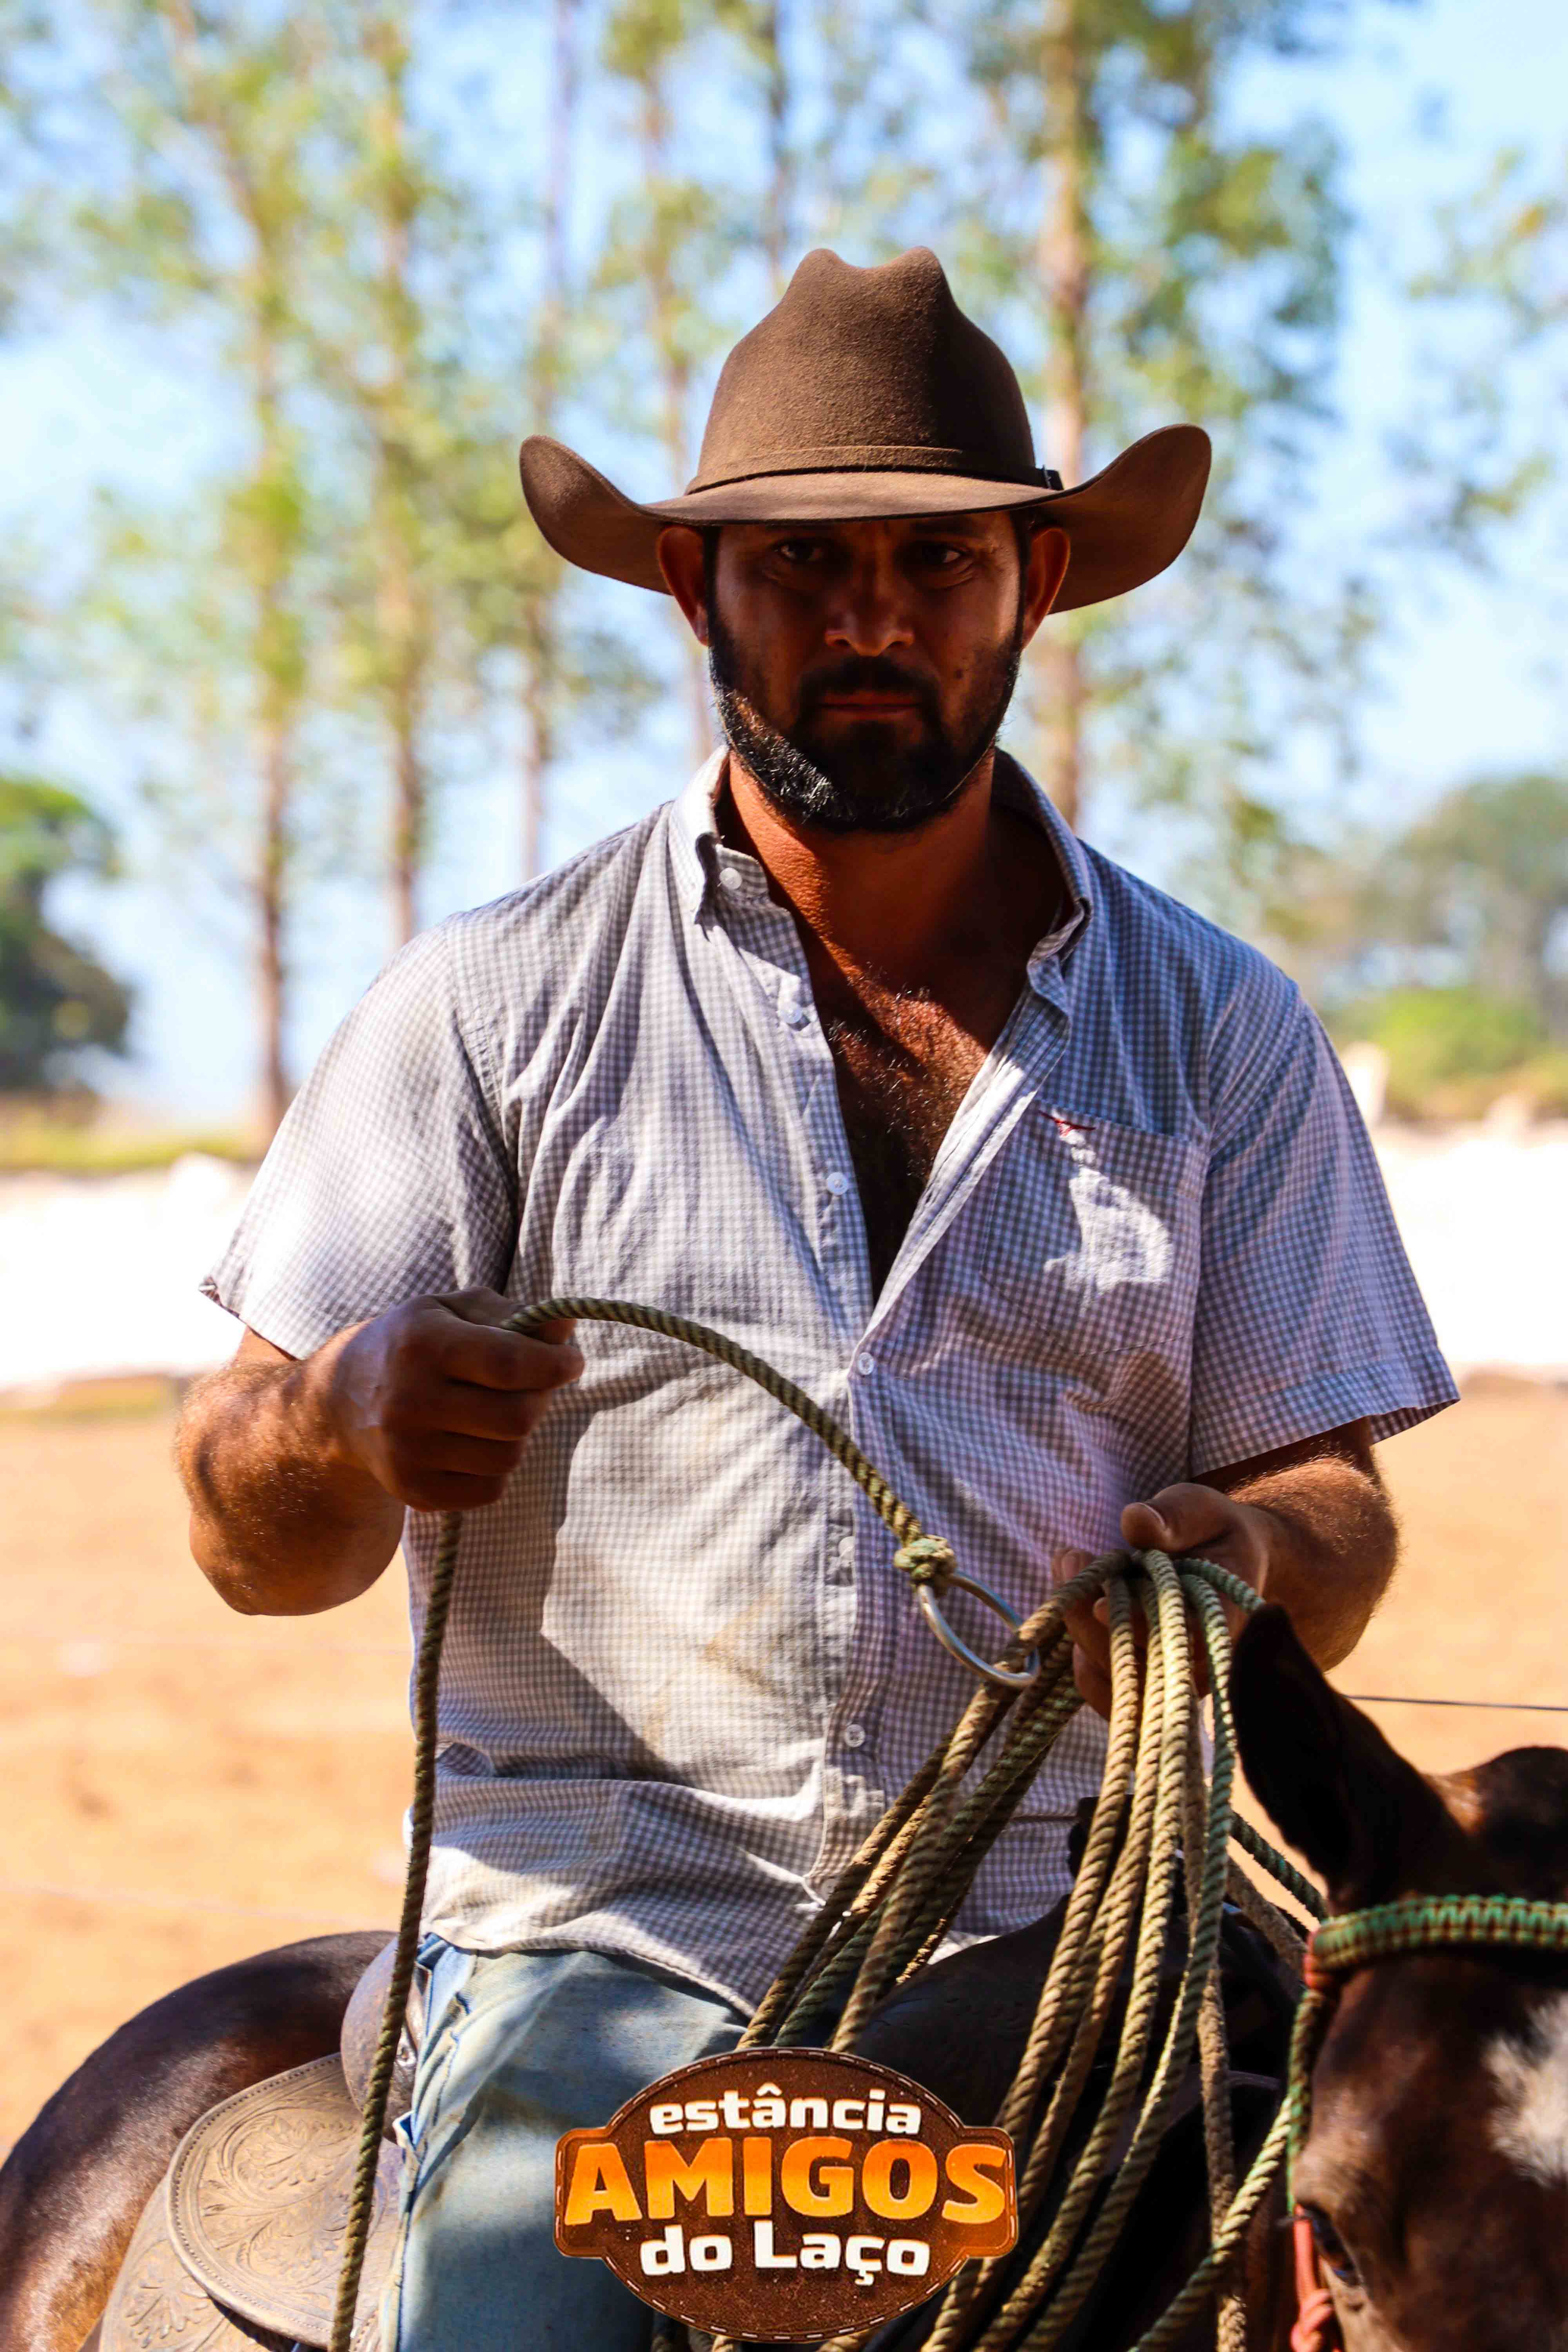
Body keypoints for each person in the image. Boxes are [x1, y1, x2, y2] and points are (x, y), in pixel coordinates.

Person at [178, 246, 1454, 2350]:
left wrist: (1244, 1565)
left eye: (936, 564)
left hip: (1069, 1944)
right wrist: (338, 1417)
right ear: (698, 595)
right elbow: (250, 1538)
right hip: (606, 1950)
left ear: (1036, 586)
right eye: (804, 565)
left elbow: (1333, 1505)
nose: (873, 618)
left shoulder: (1223, 1033)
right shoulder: (490, 1008)